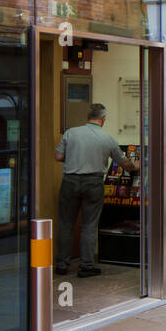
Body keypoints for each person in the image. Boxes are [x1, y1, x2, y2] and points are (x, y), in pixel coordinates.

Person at [55, 104, 136, 277]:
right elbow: (124, 163)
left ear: (88, 116)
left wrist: (76, 160)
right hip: (93, 183)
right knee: (89, 225)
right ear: (103, 118)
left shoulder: (71, 133)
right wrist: (135, 166)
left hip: (70, 181)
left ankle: (61, 264)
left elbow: (59, 156)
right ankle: (86, 266)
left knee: (66, 224)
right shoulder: (107, 138)